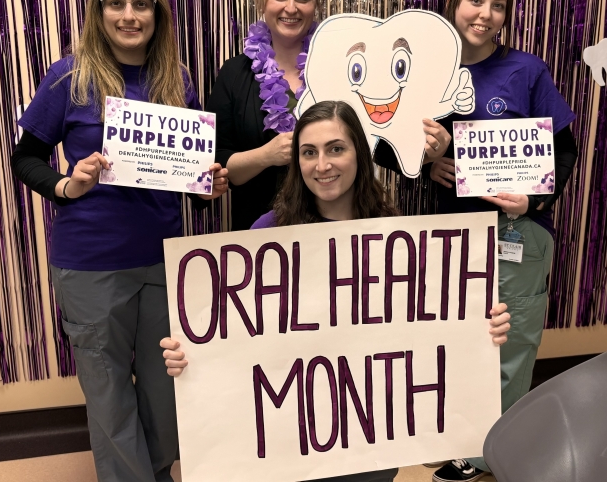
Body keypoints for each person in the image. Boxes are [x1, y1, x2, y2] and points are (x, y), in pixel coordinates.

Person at [162, 101, 512, 482]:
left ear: (359, 154)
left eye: (336, 149)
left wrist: (480, 330)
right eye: (308, 152)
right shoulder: (267, 235)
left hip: (368, 438)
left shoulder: (394, 236)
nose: (322, 165)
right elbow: (227, 332)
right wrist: (190, 357)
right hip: (290, 439)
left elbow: (428, 323)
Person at [10, 0, 228, 482]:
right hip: (90, 265)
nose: (129, 15)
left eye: (141, 4)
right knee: (108, 396)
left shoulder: (175, 80)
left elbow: (190, 184)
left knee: (162, 391)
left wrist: (209, 185)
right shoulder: (69, 78)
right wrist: (68, 183)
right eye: (117, 4)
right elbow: (26, 157)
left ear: (157, 12)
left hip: (161, 261)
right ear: (100, 10)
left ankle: (154, 473)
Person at [376, 0, 579, 482]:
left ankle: (492, 454)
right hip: (448, 231)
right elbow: (386, 144)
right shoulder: (423, 72)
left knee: (507, 347)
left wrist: (531, 201)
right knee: (453, 338)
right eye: (475, 1)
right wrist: (432, 160)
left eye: (498, 6)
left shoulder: (526, 71)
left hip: (514, 233)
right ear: (454, 3)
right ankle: (454, 435)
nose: (485, 15)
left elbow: (565, 149)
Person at [209, 0, 322, 230]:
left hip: (330, 230)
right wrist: (266, 155)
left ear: (315, 4)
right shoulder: (235, 74)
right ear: (262, 1)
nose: (291, 8)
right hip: (257, 236)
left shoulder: (339, 68)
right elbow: (213, 161)